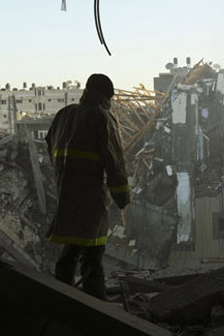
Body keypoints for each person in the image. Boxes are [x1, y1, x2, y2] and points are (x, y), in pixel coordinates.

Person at [45, 73, 130, 300]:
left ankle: (63, 298)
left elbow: (48, 144)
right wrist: (122, 196)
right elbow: (114, 161)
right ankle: (97, 304)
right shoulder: (101, 117)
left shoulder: (64, 115)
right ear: (104, 96)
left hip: (66, 192)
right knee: (93, 251)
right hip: (90, 194)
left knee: (71, 247)